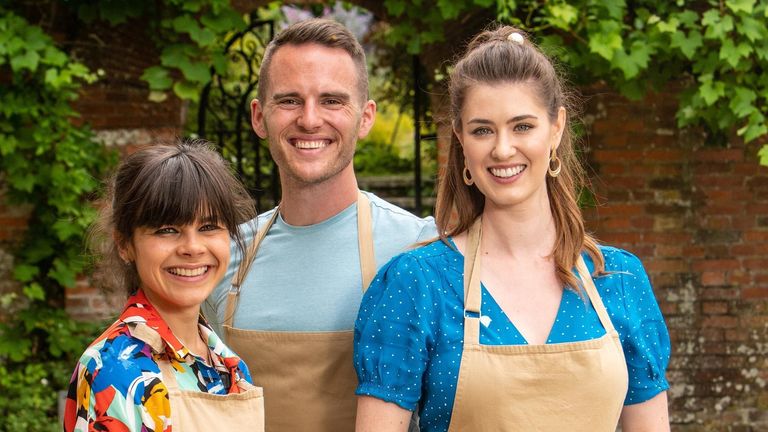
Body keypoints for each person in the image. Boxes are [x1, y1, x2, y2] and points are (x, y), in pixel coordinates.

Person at [353, 26, 672, 432]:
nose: (502, 149)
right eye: (482, 130)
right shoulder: (418, 283)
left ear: (555, 128)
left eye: (522, 126)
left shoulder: (619, 280)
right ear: (460, 139)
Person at [203, 18, 436, 432]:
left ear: (365, 118)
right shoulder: (223, 255)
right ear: (259, 117)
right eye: (290, 100)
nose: (310, 120)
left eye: (332, 101)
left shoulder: (420, 248)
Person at [63, 141, 264, 432]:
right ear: (125, 244)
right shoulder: (113, 370)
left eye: (209, 227)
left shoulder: (228, 365)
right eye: (167, 230)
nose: (193, 248)